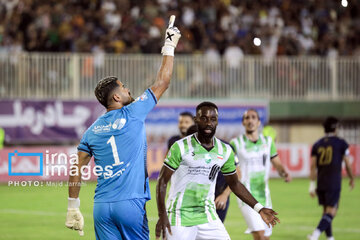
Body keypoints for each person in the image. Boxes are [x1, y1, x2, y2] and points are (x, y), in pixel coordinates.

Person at [65, 16, 181, 239]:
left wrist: (72, 206)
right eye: (124, 88)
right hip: (130, 204)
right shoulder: (133, 112)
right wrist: (169, 45)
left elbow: (76, 168)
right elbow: (162, 82)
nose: (129, 90)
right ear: (116, 97)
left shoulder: (91, 131)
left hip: (101, 207)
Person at [155, 102, 280, 240]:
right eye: (204, 118)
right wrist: (162, 215)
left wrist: (259, 209)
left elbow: (235, 184)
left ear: (217, 122)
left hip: (207, 216)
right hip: (179, 216)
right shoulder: (180, 147)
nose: (209, 123)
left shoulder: (225, 150)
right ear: (196, 120)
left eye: (213, 119)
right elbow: (162, 182)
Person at [229, 109, 291, 240]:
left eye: (253, 117)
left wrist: (283, 171)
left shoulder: (268, 142)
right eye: (247, 118)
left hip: (264, 195)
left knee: (265, 237)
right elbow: (235, 171)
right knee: (260, 235)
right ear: (243, 122)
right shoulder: (236, 143)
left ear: (258, 122)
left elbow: (277, 163)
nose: (250, 120)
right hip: (246, 195)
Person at [308, 116, 355, 240]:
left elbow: (312, 166)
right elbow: (348, 163)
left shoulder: (317, 144)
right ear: (335, 128)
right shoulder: (341, 143)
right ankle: (315, 234)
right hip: (333, 181)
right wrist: (351, 178)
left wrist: (312, 185)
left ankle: (330, 238)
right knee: (332, 212)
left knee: (325, 211)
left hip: (321, 181)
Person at [185, 124, 233, 223]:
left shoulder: (225, 149)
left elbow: (237, 176)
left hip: (218, 198)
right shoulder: (186, 152)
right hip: (194, 199)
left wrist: (225, 195)